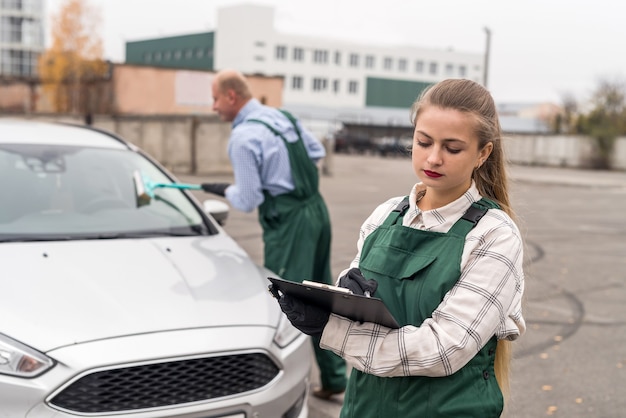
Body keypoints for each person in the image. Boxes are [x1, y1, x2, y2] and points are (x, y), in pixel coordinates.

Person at [274, 78, 526, 417]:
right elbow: (355, 305)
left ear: (483, 153)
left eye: (452, 149)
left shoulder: (494, 235)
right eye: (423, 142)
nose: (433, 158)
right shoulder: (385, 216)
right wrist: (339, 299)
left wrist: (332, 330)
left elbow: (443, 349)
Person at [203, 69, 347, 399]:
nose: (213, 107)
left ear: (230, 96)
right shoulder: (281, 116)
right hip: (316, 210)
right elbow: (316, 153)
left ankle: (283, 386)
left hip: (289, 222)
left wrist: (225, 189)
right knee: (321, 294)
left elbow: (249, 198)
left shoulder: (242, 139)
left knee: (287, 303)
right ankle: (335, 378)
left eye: (214, 99)